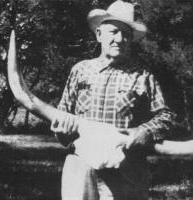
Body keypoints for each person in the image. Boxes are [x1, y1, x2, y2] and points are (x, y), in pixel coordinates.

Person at [51, 1, 175, 199]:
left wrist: (145, 131)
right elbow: (62, 116)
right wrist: (61, 130)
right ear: (99, 34)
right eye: (114, 31)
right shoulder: (80, 70)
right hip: (81, 167)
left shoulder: (142, 75)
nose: (120, 39)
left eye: (126, 34)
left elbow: (166, 116)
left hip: (125, 170)